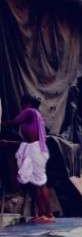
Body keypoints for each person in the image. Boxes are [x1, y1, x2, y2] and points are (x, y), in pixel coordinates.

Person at [1, 93, 54, 223]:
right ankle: (41, 213)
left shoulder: (30, 111)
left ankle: (49, 214)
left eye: (22, 104)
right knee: (35, 184)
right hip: (33, 148)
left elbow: (14, 122)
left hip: (36, 149)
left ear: (26, 104)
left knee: (41, 183)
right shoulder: (34, 115)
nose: (21, 107)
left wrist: (2, 122)